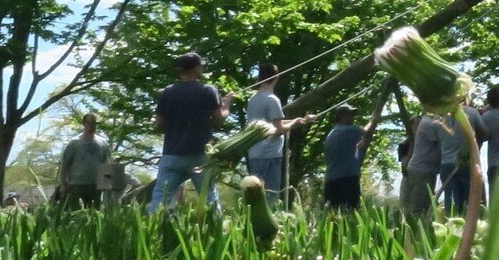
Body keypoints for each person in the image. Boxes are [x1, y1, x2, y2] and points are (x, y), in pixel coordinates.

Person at [149, 52, 231, 212]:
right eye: (201, 66)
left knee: (160, 199)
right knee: (209, 199)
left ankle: (152, 231)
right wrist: (226, 105)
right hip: (199, 155)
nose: (203, 68)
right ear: (196, 68)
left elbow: (158, 123)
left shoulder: (168, 91)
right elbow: (218, 121)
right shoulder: (208, 90)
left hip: (171, 154)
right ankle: (216, 231)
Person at [244, 62, 316, 206]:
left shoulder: (253, 99)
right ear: (276, 77)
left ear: (259, 78)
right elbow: (277, 130)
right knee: (270, 196)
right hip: (270, 154)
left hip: (255, 153)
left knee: (255, 196)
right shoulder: (272, 100)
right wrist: (295, 123)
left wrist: (299, 120)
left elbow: (271, 123)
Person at [322, 102, 378, 211]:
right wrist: (374, 120)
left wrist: (364, 145)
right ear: (341, 117)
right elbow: (367, 131)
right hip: (346, 180)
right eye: (350, 114)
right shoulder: (347, 130)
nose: (353, 117)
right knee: (350, 213)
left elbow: (354, 148)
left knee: (333, 215)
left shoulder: (333, 133)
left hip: (331, 181)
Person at [439, 101, 489, 214]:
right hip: (467, 162)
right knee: (471, 199)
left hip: (446, 163)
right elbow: (485, 133)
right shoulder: (472, 112)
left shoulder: (438, 116)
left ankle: (451, 224)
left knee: (451, 200)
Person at [58, 112, 110, 209]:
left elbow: (106, 164)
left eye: (95, 123)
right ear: (84, 124)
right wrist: (62, 184)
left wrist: (105, 184)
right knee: (75, 214)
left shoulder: (103, 143)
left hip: (95, 185)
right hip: (76, 185)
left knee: (94, 215)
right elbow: (65, 164)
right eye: (89, 123)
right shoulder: (74, 142)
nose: (92, 125)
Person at [401, 114, 447, 218]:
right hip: (423, 171)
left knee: (416, 206)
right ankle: (416, 231)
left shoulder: (427, 122)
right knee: (420, 208)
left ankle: (411, 229)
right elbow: (445, 139)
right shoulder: (430, 123)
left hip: (419, 169)